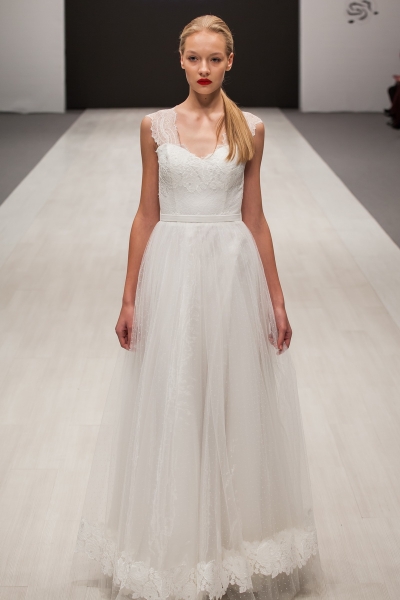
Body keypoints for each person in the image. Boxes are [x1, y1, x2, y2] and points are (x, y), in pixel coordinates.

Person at [74, 14, 327, 600]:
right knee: (176, 397)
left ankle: (232, 546)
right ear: (181, 60)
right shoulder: (155, 126)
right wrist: (129, 297)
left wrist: (276, 300)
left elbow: (255, 219)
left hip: (232, 275)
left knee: (234, 399)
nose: (204, 69)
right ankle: (179, 544)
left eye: (215, 59)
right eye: (195, 58)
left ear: (230, 61)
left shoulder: (252, 128)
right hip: (173, 274)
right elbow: (146, 214)